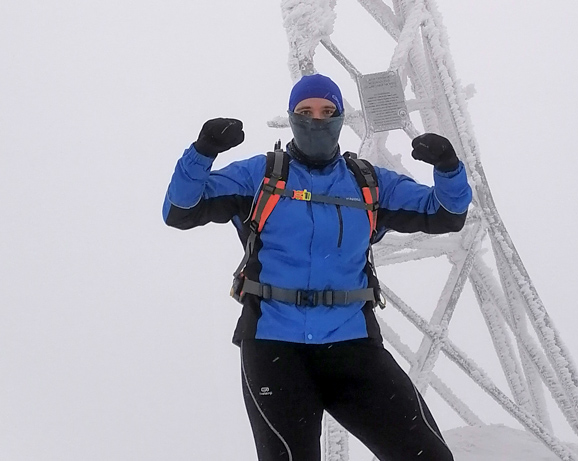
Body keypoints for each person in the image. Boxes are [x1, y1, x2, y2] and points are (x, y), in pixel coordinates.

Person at [163, 73, 472, 461]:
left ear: (341, 118)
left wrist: (447, 168)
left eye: (328, 111)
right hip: (275, 348)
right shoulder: (260, 176)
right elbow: (180, 209)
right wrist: (202, 152)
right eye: (305, 111)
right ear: (292, 117)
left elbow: (445, 214)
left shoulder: (369, 183)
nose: (316, 120)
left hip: (352, 347)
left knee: (427, 456)